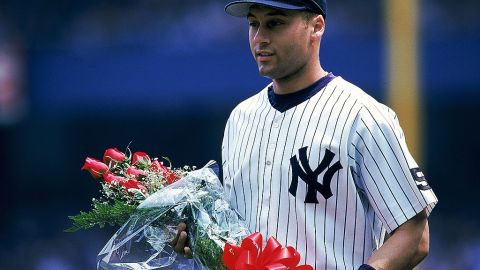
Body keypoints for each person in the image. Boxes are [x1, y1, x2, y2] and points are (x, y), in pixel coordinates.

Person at [174, 1, 438, 269]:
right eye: (254, 23)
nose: (260, 37)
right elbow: (237, 236)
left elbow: (415, 236)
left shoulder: (363, 116)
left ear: (316, 26)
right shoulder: (239, 119)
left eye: (275, 23)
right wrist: (199, 239)